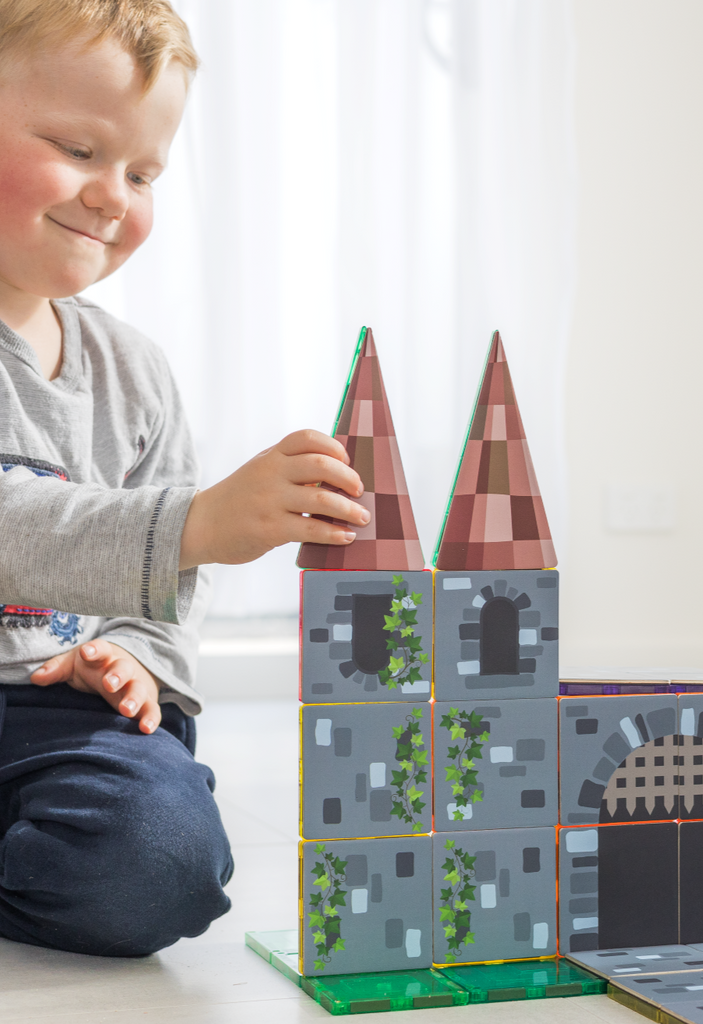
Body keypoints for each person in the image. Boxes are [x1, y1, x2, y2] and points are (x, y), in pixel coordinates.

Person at [0, 0, 366, 957]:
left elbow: (171, 593)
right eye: (77, 148)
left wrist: (132, 659)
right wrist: (194, 523)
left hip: (59, 715)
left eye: (143, 172)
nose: (113, 195)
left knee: (160, 858)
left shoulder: (137, 371)